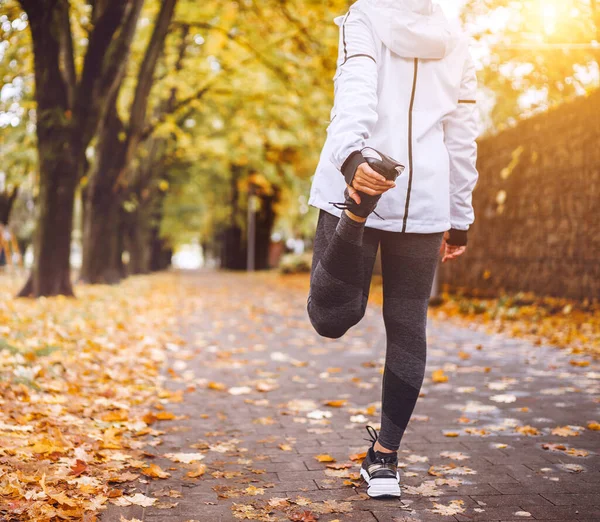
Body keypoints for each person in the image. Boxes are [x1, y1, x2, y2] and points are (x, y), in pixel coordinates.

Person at [307, 0, 479, 499]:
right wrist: (459, 216)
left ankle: (355, 212)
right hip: (422, 198)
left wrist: (352, 159)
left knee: (332, 318)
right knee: (406, 325)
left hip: (360, 178)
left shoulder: (364, 16)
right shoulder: (458, 37)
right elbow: (461, 135)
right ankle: (385, 461)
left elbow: (353, 94)